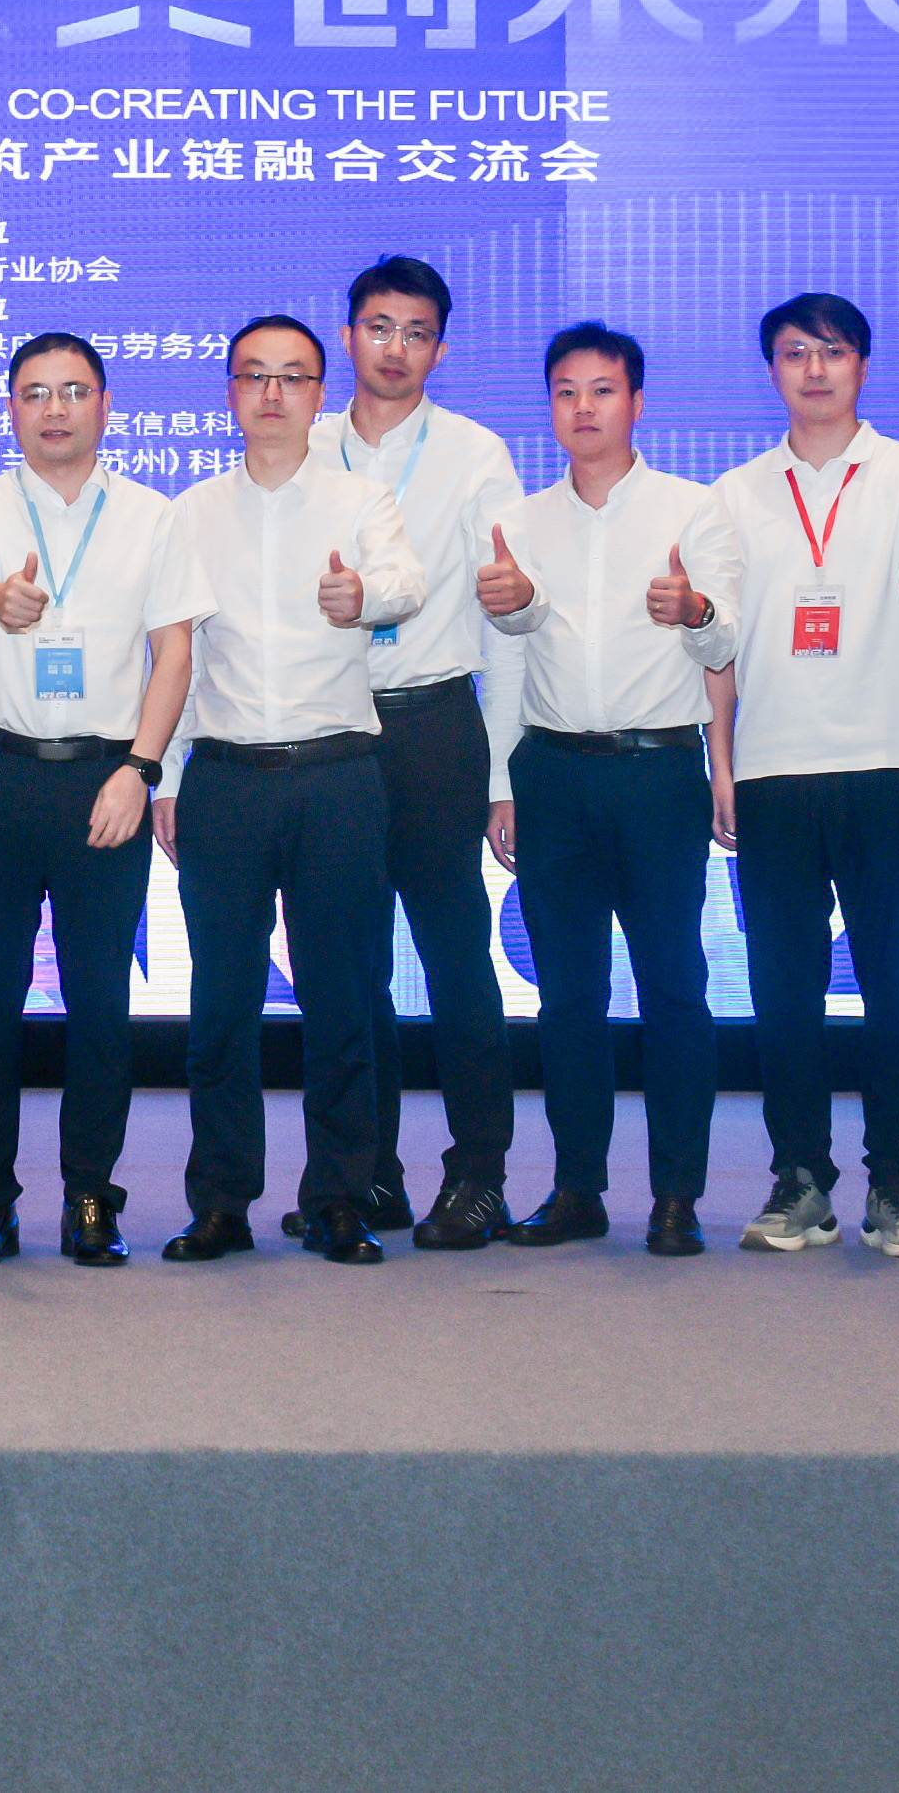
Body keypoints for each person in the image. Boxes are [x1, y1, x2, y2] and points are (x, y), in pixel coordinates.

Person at [0, 333, 210, 1266]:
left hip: (107, 778)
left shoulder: (151, 516)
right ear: (11, 409)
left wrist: (142, 768)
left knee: (99, 1002)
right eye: (34, 393)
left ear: (104, 404)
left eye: (73, 391)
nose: (54, 409)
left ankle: (92, 1194)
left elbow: (174, 652)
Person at [156, 315, 425, 1266]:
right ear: (231, 392)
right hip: (225, 781)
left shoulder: (361, 499)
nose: (273, 394)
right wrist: (168, 776)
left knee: (343, 997)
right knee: (221, 1003)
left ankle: (340, 1198)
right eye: (254, 376)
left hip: (337, 776)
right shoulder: (190, 512)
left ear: (319, 395)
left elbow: (404, 581)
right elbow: (178, 656)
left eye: (293, 377)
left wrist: (366, 599)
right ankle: (221, 1202)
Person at [477, 322, 742, 1257]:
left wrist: (695, 610)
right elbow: (507, 660)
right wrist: (502, 781)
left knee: (674, 987)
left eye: (602, 390)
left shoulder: (693, 510)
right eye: (566, 392)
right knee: (568, 997)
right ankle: (576, 1189)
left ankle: (676, 1196)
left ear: (637, 402)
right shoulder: (520, 522)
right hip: (552, 774)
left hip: (657, 771)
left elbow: (726, 645)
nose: (583, 408)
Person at [707, 293, 899, 1260]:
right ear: (772, 369)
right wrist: (721, 765)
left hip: (886, 758)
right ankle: (800, 1179)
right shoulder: (735, 493)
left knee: (897, 983)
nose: (814, 370)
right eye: (794, 353)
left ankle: (897, 1185)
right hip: (774, 765)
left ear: (863, 364)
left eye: (833, 351)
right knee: (785, 988)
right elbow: (718, 641)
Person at [307, 256, 530, 1249]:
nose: (395, 348)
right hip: (326, 726)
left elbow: (507, 620)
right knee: (345, 964)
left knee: (454, 957)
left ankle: (479, 1173)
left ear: (439, 348)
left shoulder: (476, 455)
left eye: (416, 331)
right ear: (347, 334)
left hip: (434, 724)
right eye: (378, 326)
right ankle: (368, 1173)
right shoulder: (305, 446)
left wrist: (503, 774)